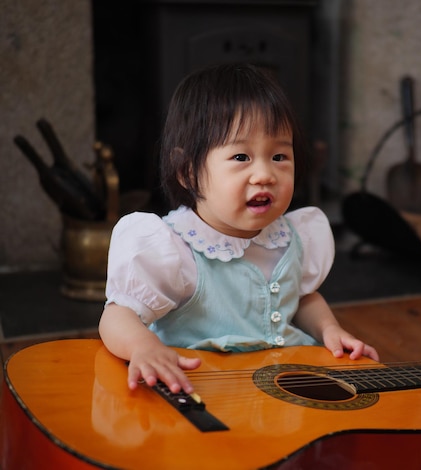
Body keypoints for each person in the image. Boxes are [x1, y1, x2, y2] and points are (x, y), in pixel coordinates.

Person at [99, 63, 378, 395]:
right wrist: (142, 346)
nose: (265, 174)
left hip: (277, 389)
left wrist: (329, 329)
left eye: (278, 156)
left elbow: (300, 297)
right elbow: (118, 315)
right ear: (188, 172)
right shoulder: (175, 249)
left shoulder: (291, 236)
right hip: (201, 393)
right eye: (241, 156)